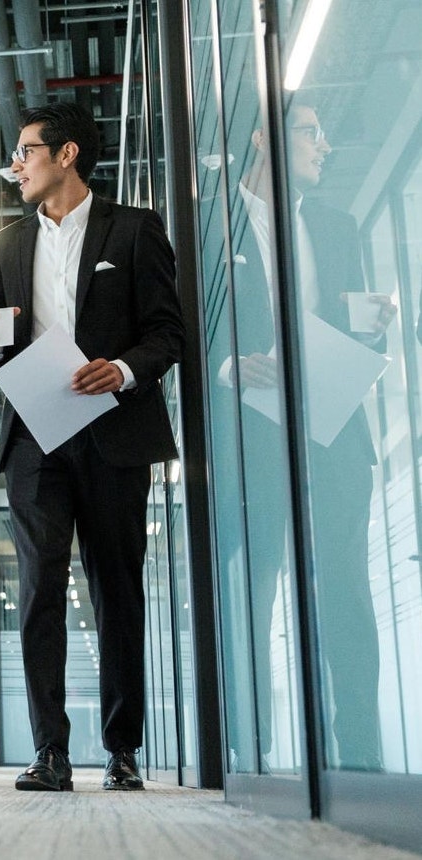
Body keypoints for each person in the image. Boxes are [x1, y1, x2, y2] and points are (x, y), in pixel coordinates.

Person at [0, 102, 184, 792]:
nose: (15, 167)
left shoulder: (134, 229)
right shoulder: (5, 245)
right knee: (39, 590)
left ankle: (122, 750)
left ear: (65, 155)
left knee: (116, 589)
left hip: (114, 431)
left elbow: (165, 333)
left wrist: (120, 371)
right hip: (37, 435)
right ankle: (49, 753)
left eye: (25, 152)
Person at [225, 101, 394, 772]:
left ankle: (358, 760)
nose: (323, 147)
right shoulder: (213, 229)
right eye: (309, 133)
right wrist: (227, 363)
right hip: (251, 438)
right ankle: (250, 756)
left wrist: (372, 327)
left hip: (332, 434)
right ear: (265, 138)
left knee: (346, 594)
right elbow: (178, 326)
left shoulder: (336, 225)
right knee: (253, 594)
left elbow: (349, 324)